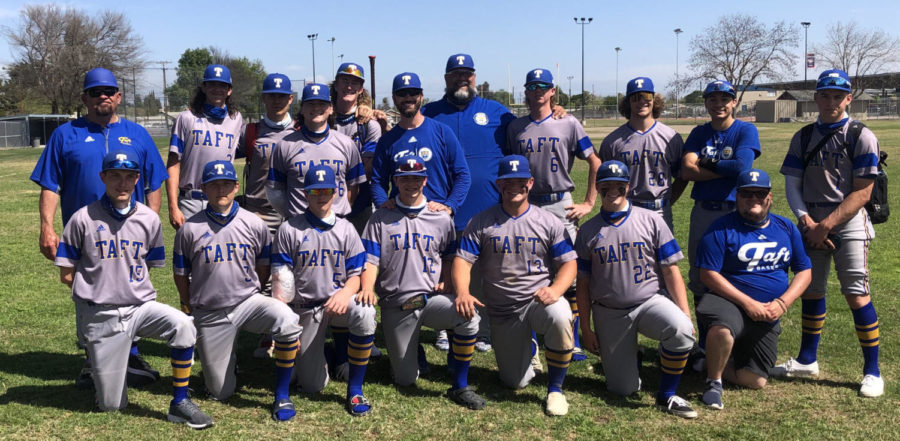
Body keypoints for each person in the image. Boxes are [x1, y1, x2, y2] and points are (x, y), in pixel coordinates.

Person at [55, 150, 213, 429]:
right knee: (112, 405)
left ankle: (179, 402)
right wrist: (98, 295)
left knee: (183, 325)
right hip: (101, 314)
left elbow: (147, 266)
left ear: (137, 179)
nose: (122, 183)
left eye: (129, 176)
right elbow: (67, 274)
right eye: (115, 175)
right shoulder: (82, 218)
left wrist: (126, 287)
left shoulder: (149, 219)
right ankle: (106, 362)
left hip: (139, 308)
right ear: (103, 177)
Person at [30, 67, 166, 388]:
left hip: (129, 234)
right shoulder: (66, 134)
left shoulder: (138, 134)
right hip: (85, 234)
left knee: (130, 292)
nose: (102, 96)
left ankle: (129, 354)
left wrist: (150, 223)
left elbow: (155, 181)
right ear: (84, 98)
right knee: (88, 293)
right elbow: (50, 185)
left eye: (109, 91)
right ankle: (94, 358)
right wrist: (46, 227)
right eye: (95, 92)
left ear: (118, 96)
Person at [773, 69, 884, 397]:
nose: (831, 101)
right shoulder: (804, 136)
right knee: (811, 290)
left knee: (855, 293)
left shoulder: (861, 135)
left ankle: (873, 371)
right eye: (825, 95)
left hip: (847, 224)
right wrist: (805, 219)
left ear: (848, 98)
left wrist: (825, 226)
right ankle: (807, 359)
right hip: (811, 223)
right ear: (816, 98)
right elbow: (792, 182)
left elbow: (863, 192)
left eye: (838, 96)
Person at [173, 160, 302, 421]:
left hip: (247, 302)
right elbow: (180, 275)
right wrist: (189, 304)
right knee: (220, 391)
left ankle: (281, 394)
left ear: (235, 187)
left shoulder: (254, 223)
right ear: (203, 189)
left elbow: (263, 268)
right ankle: (225, 361)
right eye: (213, 185)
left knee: (287, 319)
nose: (221, 189)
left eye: (226, 184)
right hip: (210, 311)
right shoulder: (189, 229)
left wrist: (252, 291)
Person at [453, 155, 577, 417]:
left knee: (561, 314)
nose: (515, 186)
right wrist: (463, 292)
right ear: (499, 184)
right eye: (508, 181)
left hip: (537, 300)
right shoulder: (481, 221)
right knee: (515, 383)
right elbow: (462, 262)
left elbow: (569, 264)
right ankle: (529, 349)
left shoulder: (548, 221)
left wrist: (555, 290)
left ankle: (555, 389)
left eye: (520, 181)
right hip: (503, 309)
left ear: (530, 183)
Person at [360, 155, 485, 410]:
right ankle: (410, 354)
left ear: (425, 181)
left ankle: (460, 384)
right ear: (395, 180)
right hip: (397, 304)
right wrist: (366, 288)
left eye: (416, 178)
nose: (411, 183)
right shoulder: (380, 218)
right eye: (405, 178)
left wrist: (445, 280)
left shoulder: (440, 217)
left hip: (430, 298)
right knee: (406, 380)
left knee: (469, 317)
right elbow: (370, 261)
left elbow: (450, 256)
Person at [575, 160, 696, 419]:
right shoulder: (587, 231)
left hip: (648, 301)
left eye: (618, 186)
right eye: (605, 187)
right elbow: (583, 285)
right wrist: (586, 329)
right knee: (623, 390)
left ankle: (667, 395)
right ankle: (633, 356)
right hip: (610, 311)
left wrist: (685, 313)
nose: (612, 192)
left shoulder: (651, 220)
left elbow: (671, 270)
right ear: (598, 188)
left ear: (627, 187)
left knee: (682, 331)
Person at [421, 53, 517, 353]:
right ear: (446, 78)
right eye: (456, 74)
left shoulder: (497, 112)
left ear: (475, 76)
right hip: (441, 210)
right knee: (442, 272)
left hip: (487, 209)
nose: (463, 78)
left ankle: (484, 329)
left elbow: (528, 130)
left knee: (488, 273)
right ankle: (445, 327)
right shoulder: (430, 113)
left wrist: (556, 112)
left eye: (468, 73)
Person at [506, 67, 601, 362]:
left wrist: (588, 202)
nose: (536, 91)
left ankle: (570, 340)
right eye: (531, 86)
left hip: (560, 204)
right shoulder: (515, 127)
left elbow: (595, 162)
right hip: (527, 203)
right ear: (526, 91)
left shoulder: (568, 123)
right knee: (529, 269)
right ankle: (531, 339)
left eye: (542, 86)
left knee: (567, 273)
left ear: (552, 91)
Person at [696, 169, 811, 410]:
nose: (753, 199)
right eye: (747, 193)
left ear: (770, 196)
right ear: (737, 196)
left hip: (769, 309)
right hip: (728, 300)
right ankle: (713, 382)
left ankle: (709, 360)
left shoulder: (786, 228)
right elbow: (707, 274)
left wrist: (783, 303)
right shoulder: (720, 229)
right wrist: (748, 303)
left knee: (756, 380)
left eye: (760, 193)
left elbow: (804, 270)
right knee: (721, 329)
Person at [270, 164, 376, 416]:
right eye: (315, 191)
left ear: (336, 192)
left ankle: (355, 390)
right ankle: (325, 354)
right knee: (310, 384)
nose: (321, 196)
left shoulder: (346, 228)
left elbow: (356, 276)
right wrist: (284, 325)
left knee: (365, 312)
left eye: (326, 190)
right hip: (304, 308)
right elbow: (280, 281)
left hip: (337, 303)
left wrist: (343, 293)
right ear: (306, 194)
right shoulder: (290, 228)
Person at [681, 80, 761, 368]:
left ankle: (737, 344)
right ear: (706, 104)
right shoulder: (699, 132)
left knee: (735, 274)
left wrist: (706, 164)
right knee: (702, 276)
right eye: (712, 100)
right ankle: (704, 346)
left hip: (733, 213)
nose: (719, 105)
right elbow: (687, 170)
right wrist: (720, 171)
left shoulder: (745, 130)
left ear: (734, 102)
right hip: (703, 211)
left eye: (724, 99)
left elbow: (742, 168)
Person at [238, 73, 296, 360]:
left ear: (291, 99)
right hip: (258, 213)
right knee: (260, 275)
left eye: (281, 95)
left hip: (294, 213)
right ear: (263, 98)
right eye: (271, 95)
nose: (276, 100)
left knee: (287, 276)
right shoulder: (250, 131)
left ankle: (286, 329)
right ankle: (266, 332)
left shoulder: (302, 129)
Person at [371, 72, 471, 217]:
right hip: (399, 216)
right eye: (402, 93)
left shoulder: (442, 132)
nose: (408, 98)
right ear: (394, 98)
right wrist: (382, 203)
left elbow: (462, 175)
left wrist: (450, 206)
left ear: (421, 96)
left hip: (435, 214)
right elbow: (378, 180)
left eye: (413, 93)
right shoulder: (387, 140)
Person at [266, 83, 366, 220]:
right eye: (310, 103)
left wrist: (336, 214)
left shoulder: (346, 144)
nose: (316, 108)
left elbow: (353, 187)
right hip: (299, 225)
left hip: (337, 223)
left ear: (331, 109)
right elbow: (275, 191)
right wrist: (294, 217)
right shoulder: (285, 145)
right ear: (301, 109)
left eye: (322, 103)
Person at [598, 76, 686, 230]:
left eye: (646, 97)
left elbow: (682, 176)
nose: (641, 102)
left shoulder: (671, 137)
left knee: (662, 254)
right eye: (635, 97)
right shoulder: (612, 141)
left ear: (654, 100)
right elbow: (603, 182)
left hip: (660, 210)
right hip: (626, 210)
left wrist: (667, 201)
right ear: (628, 102)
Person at [166, 64, 244, 230]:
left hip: (223, 199)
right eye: (212, 84)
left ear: (229, 90)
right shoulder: (186, 118)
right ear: (203, 87)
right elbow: (173, 164)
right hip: (191, 200)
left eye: (222, 85)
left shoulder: (236, 119)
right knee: (191, 254)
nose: (217, 89)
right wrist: (173, 206)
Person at [330, 62, 385, 233]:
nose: (349, 86)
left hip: (359, 205)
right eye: (344, 80)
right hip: (322, 200)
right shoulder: (324, 118)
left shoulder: (368, 124)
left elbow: (366, 169)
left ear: (361, 89)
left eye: (354, 82)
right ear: (336, 85)